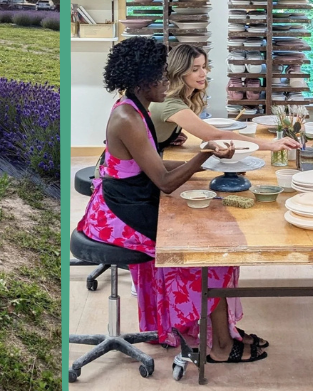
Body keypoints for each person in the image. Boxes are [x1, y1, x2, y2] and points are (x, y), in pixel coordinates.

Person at [78, 37, 268, 363]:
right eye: (162, 78)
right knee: (207, 251)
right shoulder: (128, 119)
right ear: (142, 79)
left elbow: (151, 163)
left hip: (129, 202)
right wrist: (203, 158)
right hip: (117, 217)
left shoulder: (134, 108)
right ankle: (221, 346)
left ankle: (222, 333)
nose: (168, 83)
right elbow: (165, 183)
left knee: (212, 239)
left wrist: (200, 165)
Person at [149, 44, 300, 153]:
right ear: (179, 72)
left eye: (204, 66)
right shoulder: (170, 103)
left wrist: (169, 135)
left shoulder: (180, 98)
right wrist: (271, 145)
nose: (203, 73)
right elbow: (217, 135)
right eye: (195, 69)